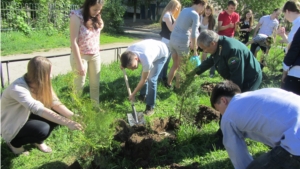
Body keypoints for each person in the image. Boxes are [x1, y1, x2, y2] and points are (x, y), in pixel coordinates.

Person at [188, 30, 262, 149]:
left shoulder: (232, 50)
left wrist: (231, 97)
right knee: (228, 104)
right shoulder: (218, 45)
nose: (204, 51)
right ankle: (224, 130)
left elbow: (237, 79)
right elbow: (211, 60)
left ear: (212, 43)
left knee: (233, 105)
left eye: (204, 48)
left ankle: (229, 137)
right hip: (235, 77)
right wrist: (194, 72)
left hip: (248, 78)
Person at [1, 56, 83, 155]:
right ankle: (14, 143)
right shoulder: (18, 88)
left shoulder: (40, 82)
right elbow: (39, 110)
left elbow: (54, 102)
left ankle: (37, 141)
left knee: (57, 114)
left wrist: (72, 116)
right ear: (41, 75)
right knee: (42, 129)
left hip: (27, 115)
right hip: (12, 123)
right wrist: (68, 123)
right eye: (49, 73)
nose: (51, 76)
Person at [210, 80, 300, 169]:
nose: (221, 114)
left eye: (218, 109)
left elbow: (237, 154)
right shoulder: (263, 93)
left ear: (223, 100)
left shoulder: (228, 117)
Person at [120, 39, 168, 116]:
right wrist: (123, 65)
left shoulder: (146, 60)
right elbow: (124, 59)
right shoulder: (129, 52)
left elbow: (144, 79)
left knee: (151, 79)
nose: (132, 70)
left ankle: (150, 106)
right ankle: (143, 95)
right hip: (151, 49)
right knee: (144, 74)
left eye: (133, 67)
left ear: (136, 59)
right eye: (130, 68)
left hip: (161, 53)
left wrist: (133, 94)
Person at [70, 0, 104, 104]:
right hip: (81, 56)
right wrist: (79, 64)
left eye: (99, 9)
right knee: (79, 85)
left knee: (95, 85)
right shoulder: (76, 16)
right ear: (88, 5)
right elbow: (73, 42)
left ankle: (95, 107)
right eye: (94, 9)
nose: (97, 12)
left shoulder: (96, 16)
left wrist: (99, 21)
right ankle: (75, 110)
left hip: (95, 55)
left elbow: (100, 26)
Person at [167, 0, 207, 89]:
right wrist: (195, 50)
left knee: (175, 64)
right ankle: (178, 88)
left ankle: (168, 84)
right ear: (200, 4)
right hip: (182, 41)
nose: (202, 10)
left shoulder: (184, 10)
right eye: (203, 8)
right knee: (182, 67)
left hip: (173, 39)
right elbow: (193, 34)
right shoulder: (195, 14)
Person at [278, 1, 300, 96]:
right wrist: (283, 36)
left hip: (296, 71)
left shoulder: (298, 24)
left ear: (287, 11)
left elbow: (295, 49)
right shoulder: (296, 24)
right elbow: (293, 44)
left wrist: (285, 68)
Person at [158, 0, 181, 87]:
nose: (177, 9)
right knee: (164, 60)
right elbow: (171, 28)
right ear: (172, 6)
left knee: (167, 61)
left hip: (169, 41)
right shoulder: (167, 15)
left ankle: (163, 77)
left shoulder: (170, 15)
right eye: (176, 7)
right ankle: (161, 77)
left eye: (179, 8)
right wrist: (178, 19)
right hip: (166, 41)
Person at [198, 4, 216, 77]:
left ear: (211, 11)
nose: (208, 12)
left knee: (204, 55)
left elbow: (212, 31)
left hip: (206, 39)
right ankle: (196, 68)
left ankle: (202, 70)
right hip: (198, 38)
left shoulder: (212, 20)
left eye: (210, 10)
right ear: (204, 10)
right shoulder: (200, 17)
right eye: (207, 10)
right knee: (196, 54)